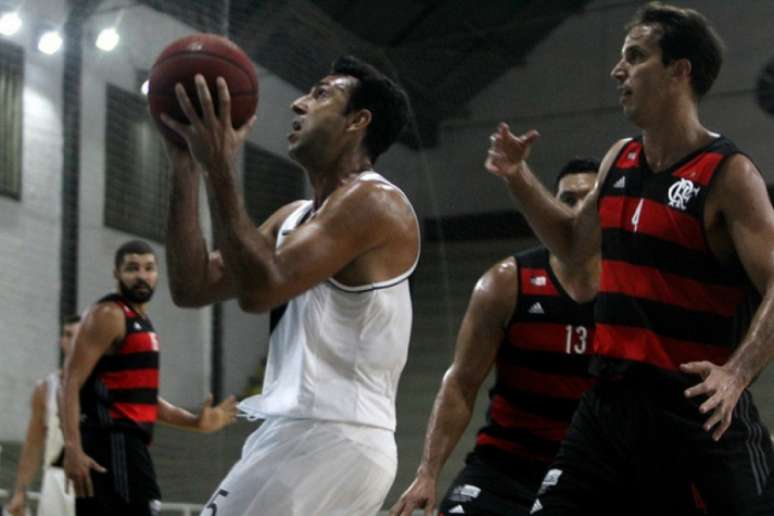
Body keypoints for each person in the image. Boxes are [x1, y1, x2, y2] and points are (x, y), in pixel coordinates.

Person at [485, 3, 774, 514]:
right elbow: (574, 243)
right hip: (607, 403)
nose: (618, 70)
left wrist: (735, 374)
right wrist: (518, 178)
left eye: (635, 56)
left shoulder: (728, 174)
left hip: (693, 408)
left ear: (679, 70)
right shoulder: (620, 158)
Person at [160, 55, 418, 515]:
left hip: (331, 434)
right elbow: (191, 285)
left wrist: (221, 167)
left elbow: (262, 290)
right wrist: (185, 166)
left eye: (320, 94)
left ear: (358, 121)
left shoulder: (374, 200)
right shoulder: (294, 217)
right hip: (314, 438)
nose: (298, 104)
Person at [390, 159, 599, 516]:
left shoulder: (635, 289)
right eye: (566, 199)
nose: (576, 210)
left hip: (590, 474)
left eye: (588, 200)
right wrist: (427, 472)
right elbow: (460, 383)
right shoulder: (505, 282)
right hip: (504, 468)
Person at [59, 240, 238, 516]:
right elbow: (69, 382)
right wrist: (72, 448)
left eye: (149, 268)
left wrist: (195, 422)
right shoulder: (109, 314)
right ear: (116, 273)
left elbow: (143, 398)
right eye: (132, 268)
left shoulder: (140, 321)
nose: (142, 275)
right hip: (112, 443)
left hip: (127, 446)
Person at [7, 315, 81, 516]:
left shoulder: (105, 386)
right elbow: (32, 444)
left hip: (91, 481)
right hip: (54, 479)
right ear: (61, 341)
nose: (71, 341)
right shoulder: (45, 388)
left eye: (77, 335)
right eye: (67, 335)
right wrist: (20, 491)